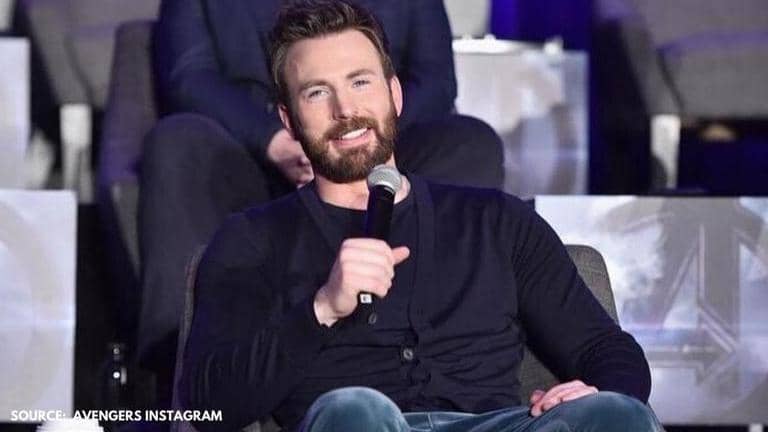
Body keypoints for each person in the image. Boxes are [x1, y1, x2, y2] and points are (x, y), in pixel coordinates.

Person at [180, 1, 661, 431]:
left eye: (360, 82)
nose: (345, 109)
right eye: (317, 93)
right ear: (289, 119)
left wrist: (602, 392)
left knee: (618, 415)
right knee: (354, 408)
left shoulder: (496, 220)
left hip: (498, 424)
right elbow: (207, 403)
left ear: (395, 94)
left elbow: (606, 349)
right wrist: (322, 308)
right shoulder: (253, 239)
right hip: (355, 425)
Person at [137, 0, 504, 398]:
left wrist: (360, 141)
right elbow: (189, 76)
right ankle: (175, 365)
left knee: (470, 141)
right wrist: (275, 141)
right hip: (251, 157)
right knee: (176, 142)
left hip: (382, 156)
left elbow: (435, 78)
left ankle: (449, 337)